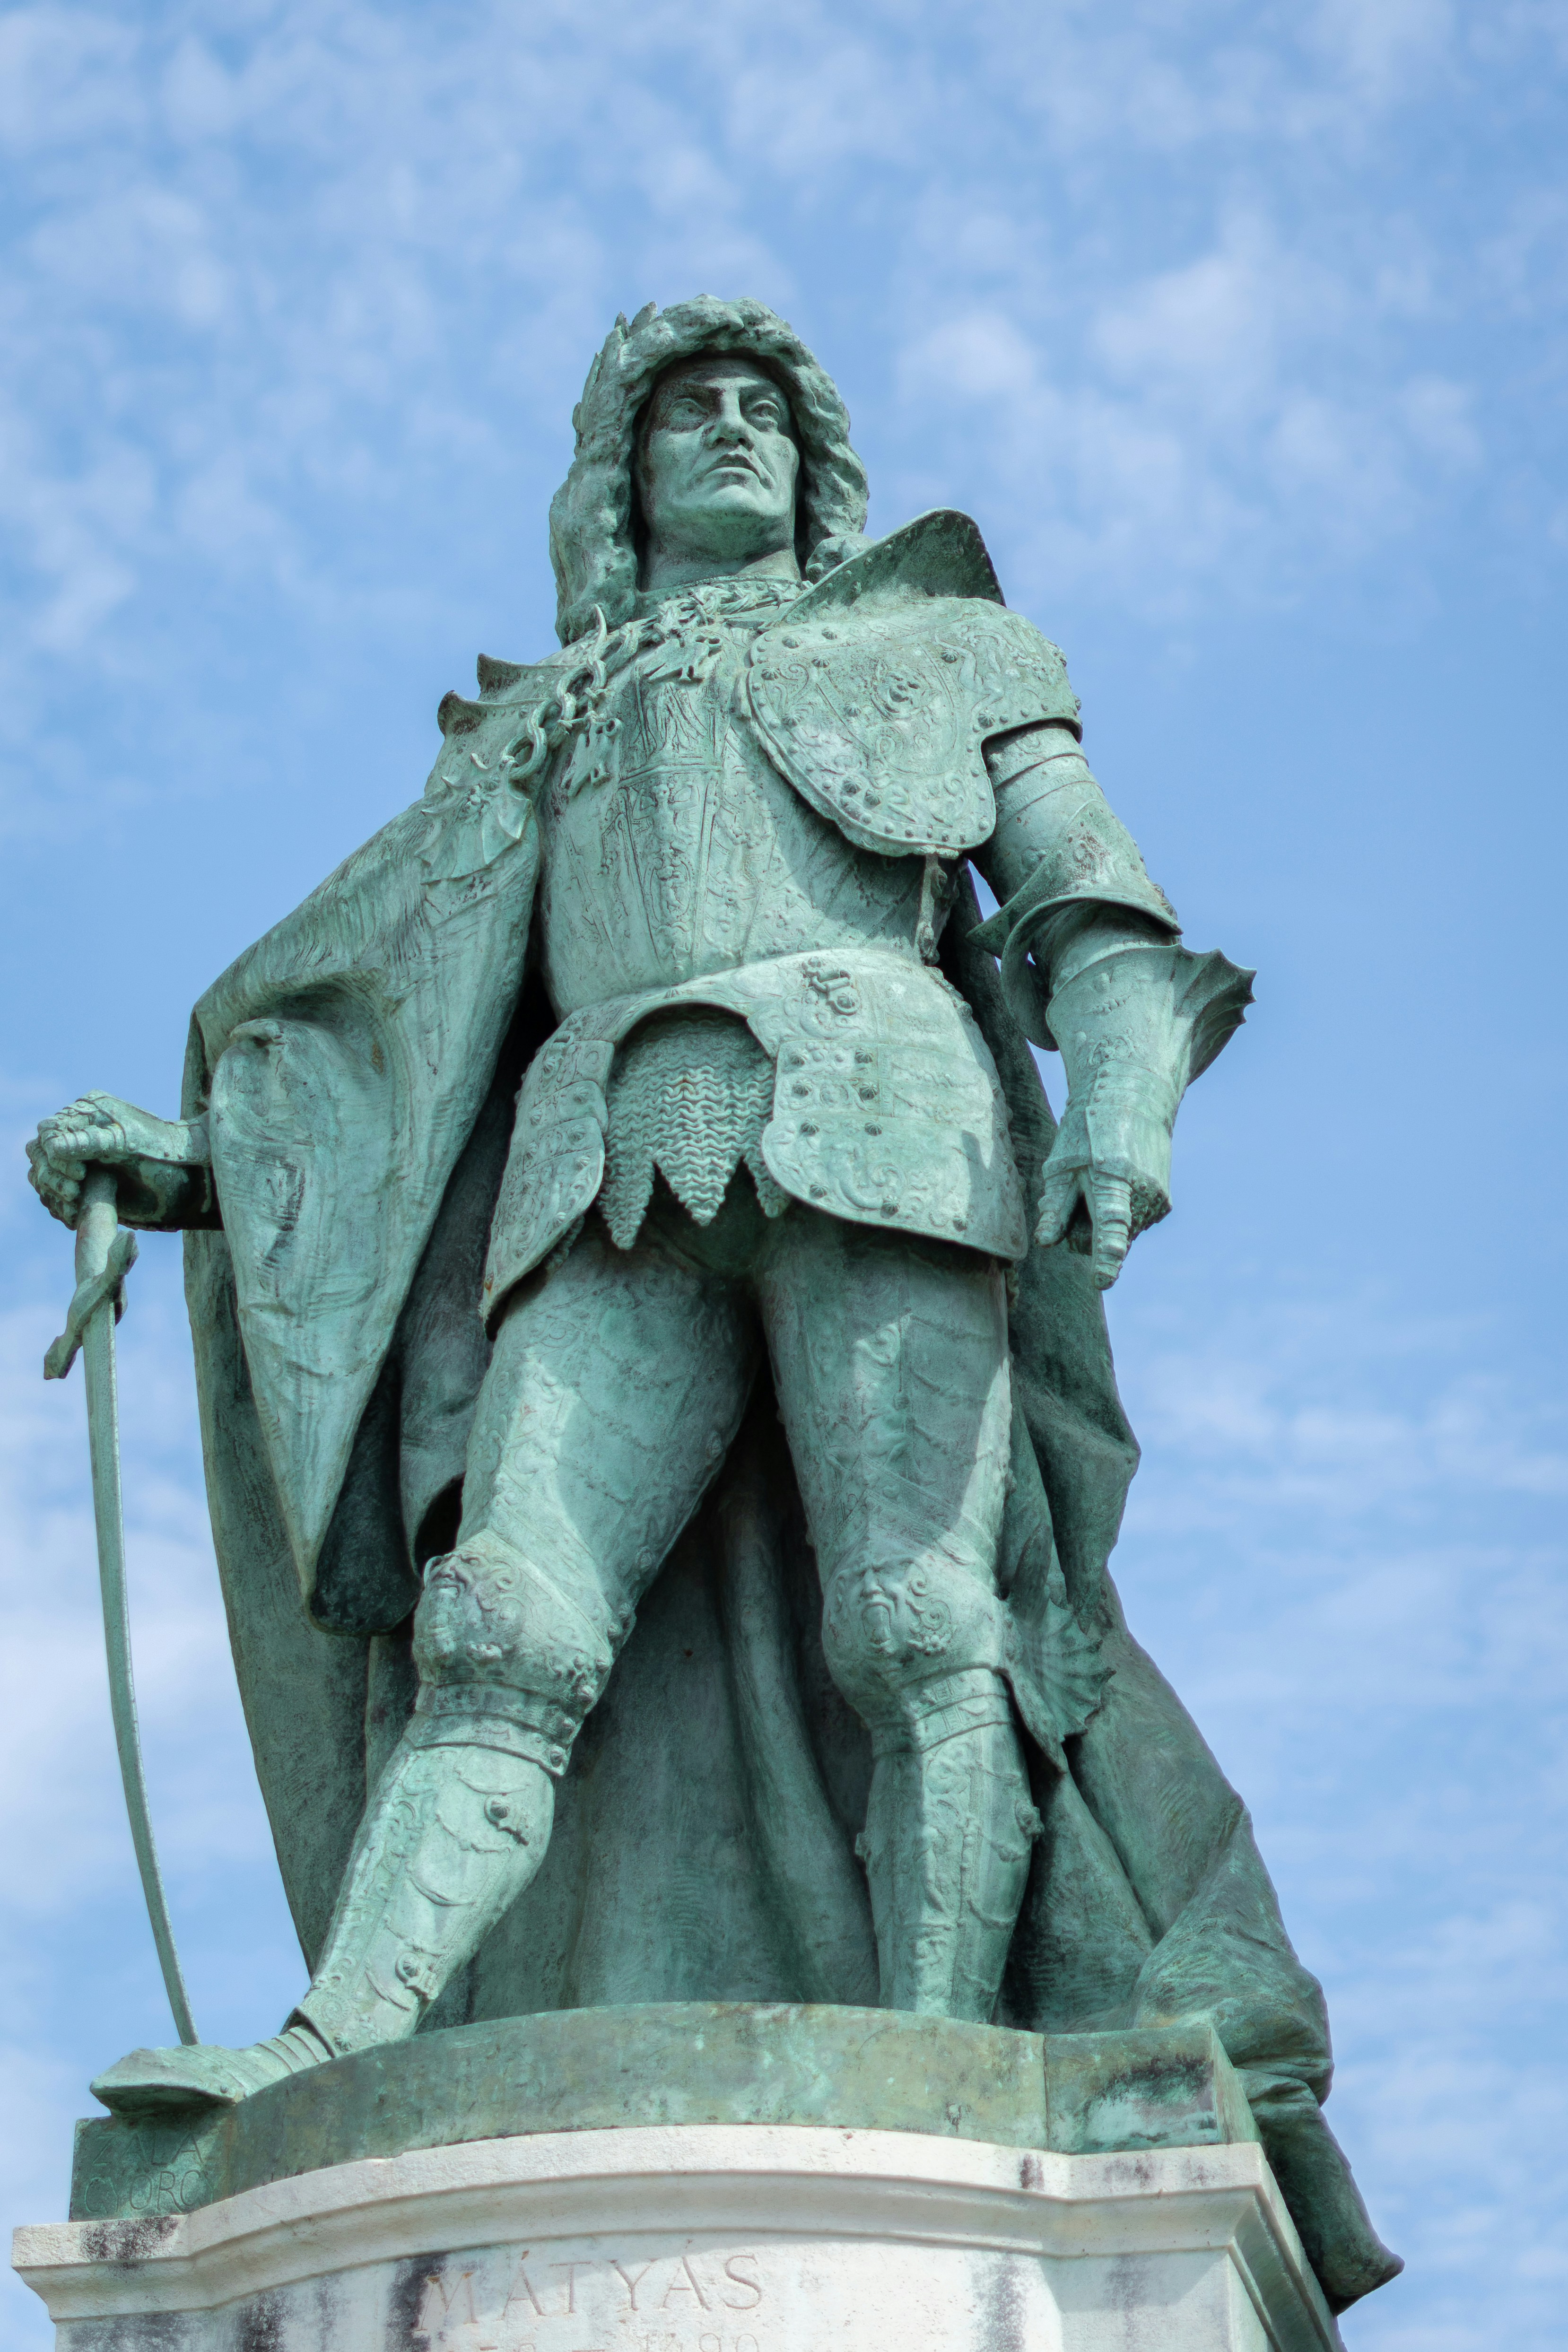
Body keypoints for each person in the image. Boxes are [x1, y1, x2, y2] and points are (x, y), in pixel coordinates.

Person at [28, 297, 1397, 2313]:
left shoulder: (947, 653)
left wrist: (1122, 1117)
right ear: (623, 474)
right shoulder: (534, 722)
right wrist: (206, 1167)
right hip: (603, 1151)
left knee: (920, 1616)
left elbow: (1095, 909)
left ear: (814, 465)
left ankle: (942, 2046)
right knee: (503, 1617)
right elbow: (390, 1048)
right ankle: (337, 2034)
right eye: (691, 410)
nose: (733, 428)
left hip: (883, 1109)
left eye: (766, 405)